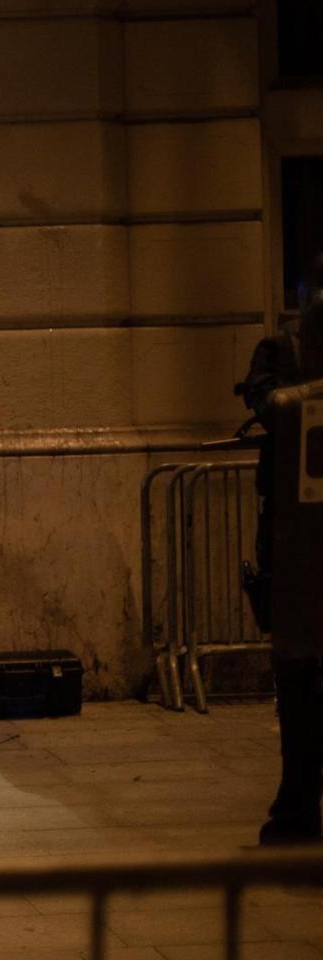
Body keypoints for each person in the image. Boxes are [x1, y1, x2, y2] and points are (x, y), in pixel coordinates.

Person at [239, 254, 323, 846]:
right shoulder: (280, 353)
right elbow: (268, 403)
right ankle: (297, 802)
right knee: (295, 678)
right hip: (295, 539)